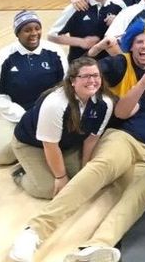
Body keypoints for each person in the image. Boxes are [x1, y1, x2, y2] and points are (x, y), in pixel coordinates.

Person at [9, 52, 145, 262]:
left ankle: (99, 245)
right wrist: (144, 84)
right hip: (125, 138)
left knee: (136, 198)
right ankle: (34, 231)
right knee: (100, 169)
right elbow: (122, 113)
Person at [10, 57, 114, 199]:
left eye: (96, 75)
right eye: (85, 76)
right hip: (32, 143)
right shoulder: (55, 104)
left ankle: (41, 167)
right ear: (72, 81)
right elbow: (50, 145)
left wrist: (85, 168)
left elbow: (91, 139)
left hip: (64, 145)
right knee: (50, 189)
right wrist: (61, 177)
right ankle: (21, 173)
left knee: (80, 178)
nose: (92, 80)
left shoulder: (105, 103)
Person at [0, 11, 68, 165]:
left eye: (37, 28)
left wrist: (49, 111)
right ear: (17, 33)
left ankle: (34, 146)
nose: (34, 33)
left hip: (45, 110)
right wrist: (22, 116)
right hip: (10, 111)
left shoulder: (55, 52)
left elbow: (64, 85)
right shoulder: (4, 57)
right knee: (2, 157)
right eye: (27, 30)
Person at [48, 0, 125, 63]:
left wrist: (118, 23)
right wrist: (81, 42)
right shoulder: (77, 7)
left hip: (109, 64)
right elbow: (52, 36)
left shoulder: (119, 4)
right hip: (81, 65)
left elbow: (129, 32)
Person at [97, 17, 145, 99]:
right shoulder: (118, 63)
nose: (144, 46)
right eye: (139, 42)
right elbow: (89, 70)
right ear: (131, 46)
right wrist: (96, 49)